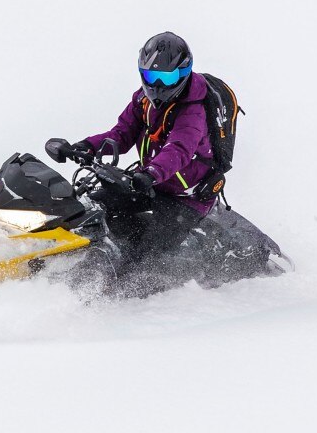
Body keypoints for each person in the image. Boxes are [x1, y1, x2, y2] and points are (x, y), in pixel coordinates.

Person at [47, 31, 216, 269]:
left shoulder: (193, 112)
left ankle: (122, 296)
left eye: (166, 79)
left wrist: (151, 173)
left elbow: (178, 149)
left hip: (184, 197)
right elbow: (121, 134)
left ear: (183, 75)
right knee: (86, 212)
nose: (157, 85)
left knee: (144, 260)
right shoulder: (143, 99)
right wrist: (85, 146)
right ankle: (60, 267)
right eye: (150, 75)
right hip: (147, 183)